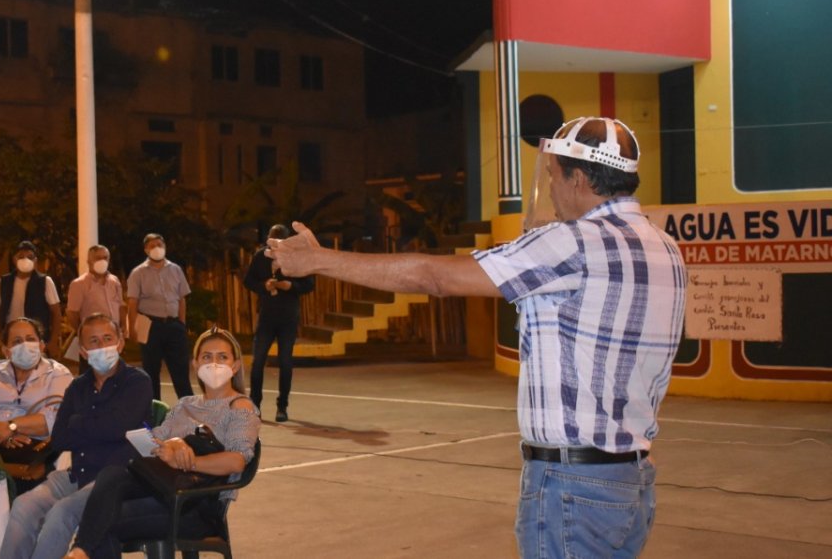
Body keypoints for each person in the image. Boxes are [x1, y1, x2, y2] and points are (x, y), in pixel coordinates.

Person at [267, 117, 686, 558]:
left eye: (553, 176)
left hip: (572, 486)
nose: (553, 191)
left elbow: (434, 277)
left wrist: (319, 261)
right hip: (632, 479)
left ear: (578, 178)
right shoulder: (665, 249)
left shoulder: (573, 243)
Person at [64, 327, 261, 559]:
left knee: (101, 521)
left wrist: (188, 460)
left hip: (194, 505)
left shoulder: (240, 407)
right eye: (207, 357)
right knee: (111, 477)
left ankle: (80, 551)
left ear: (235, 365)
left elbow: (236, 462)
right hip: (162, 489)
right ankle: (80, 551)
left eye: (222, 357)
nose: (214, 363)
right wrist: (171, 444)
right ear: (195, 364)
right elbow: (154, 438)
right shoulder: (185, 404)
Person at [0, 313, 152, 559]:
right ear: (82, 350)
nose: (102, 347)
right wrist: (101, 425)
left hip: (114, 479)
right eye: (93, 341)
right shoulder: (78, 387)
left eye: (108, 339)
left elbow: (118, 426)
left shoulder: (136, 382)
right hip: (76, 473)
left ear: (120, 342)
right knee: (24, 506)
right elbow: (60, 438)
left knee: (61, 512)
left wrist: (78, 422)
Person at [0, 317, 72, 449]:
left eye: (30, 339)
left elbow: (56, 417)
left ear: (41, 346)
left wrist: (12, 426)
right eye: (17, 341)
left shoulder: (57, 374)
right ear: (6, 351)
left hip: (35, 448)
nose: (24, 345)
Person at [243, 224, 314, 423]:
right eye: (272, 243)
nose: (275, 248)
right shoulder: (260, 257)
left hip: (288, 316)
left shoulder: (296, 258)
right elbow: (248, 280)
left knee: (285, 362)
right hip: (266, 315)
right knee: (257, 362)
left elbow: (309, 284)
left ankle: (282, 406)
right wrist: (263, 286)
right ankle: (255, 405)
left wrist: (290, 285)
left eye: (279, 243)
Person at [126, 233, 194, 401]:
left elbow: (181, 299)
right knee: (151, 372)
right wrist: (133, 328)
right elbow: (132, 303)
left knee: (181, 371)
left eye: (159, 244)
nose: (156, 248)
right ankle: (155, 412)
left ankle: (188, 410)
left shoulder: (176, 269)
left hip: (173, 325)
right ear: (146, 250)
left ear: (165, 246)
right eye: (152, 245)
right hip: (151, 326)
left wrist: (181, 324)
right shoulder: (138, 273)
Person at [0, 241, 63, 358]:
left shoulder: (45, 282)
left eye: (30, 257)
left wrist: (53, 341)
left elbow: (56, 312)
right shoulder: (4, 282)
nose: (25, 260)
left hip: (37, 340)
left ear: (35, 260)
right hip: (12, 340)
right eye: (21, 256)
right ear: (14, 260)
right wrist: (1, 335)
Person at [65, 245, 126, 337]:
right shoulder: (78, 284)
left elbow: (121, 305)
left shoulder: (115, 281)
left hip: (114, 335)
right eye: (98, 258)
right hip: (93, 337)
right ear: (89, 261)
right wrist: (82, 333)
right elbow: (72, 313)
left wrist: (123, 326)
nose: (102, 261)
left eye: (105, 258)